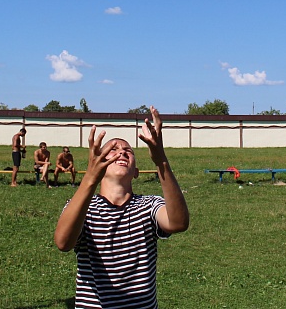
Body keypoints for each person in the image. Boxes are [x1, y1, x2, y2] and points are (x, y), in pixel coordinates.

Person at [55, 107, 189, 308]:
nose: (121, 152)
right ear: (98, 164)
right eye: (112, 150)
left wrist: (160, 159)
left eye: (128, 151)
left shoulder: (148, 205)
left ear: (136, 172)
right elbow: (63, 242)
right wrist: (90, 178)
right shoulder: (83, 207)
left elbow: (178, 223)